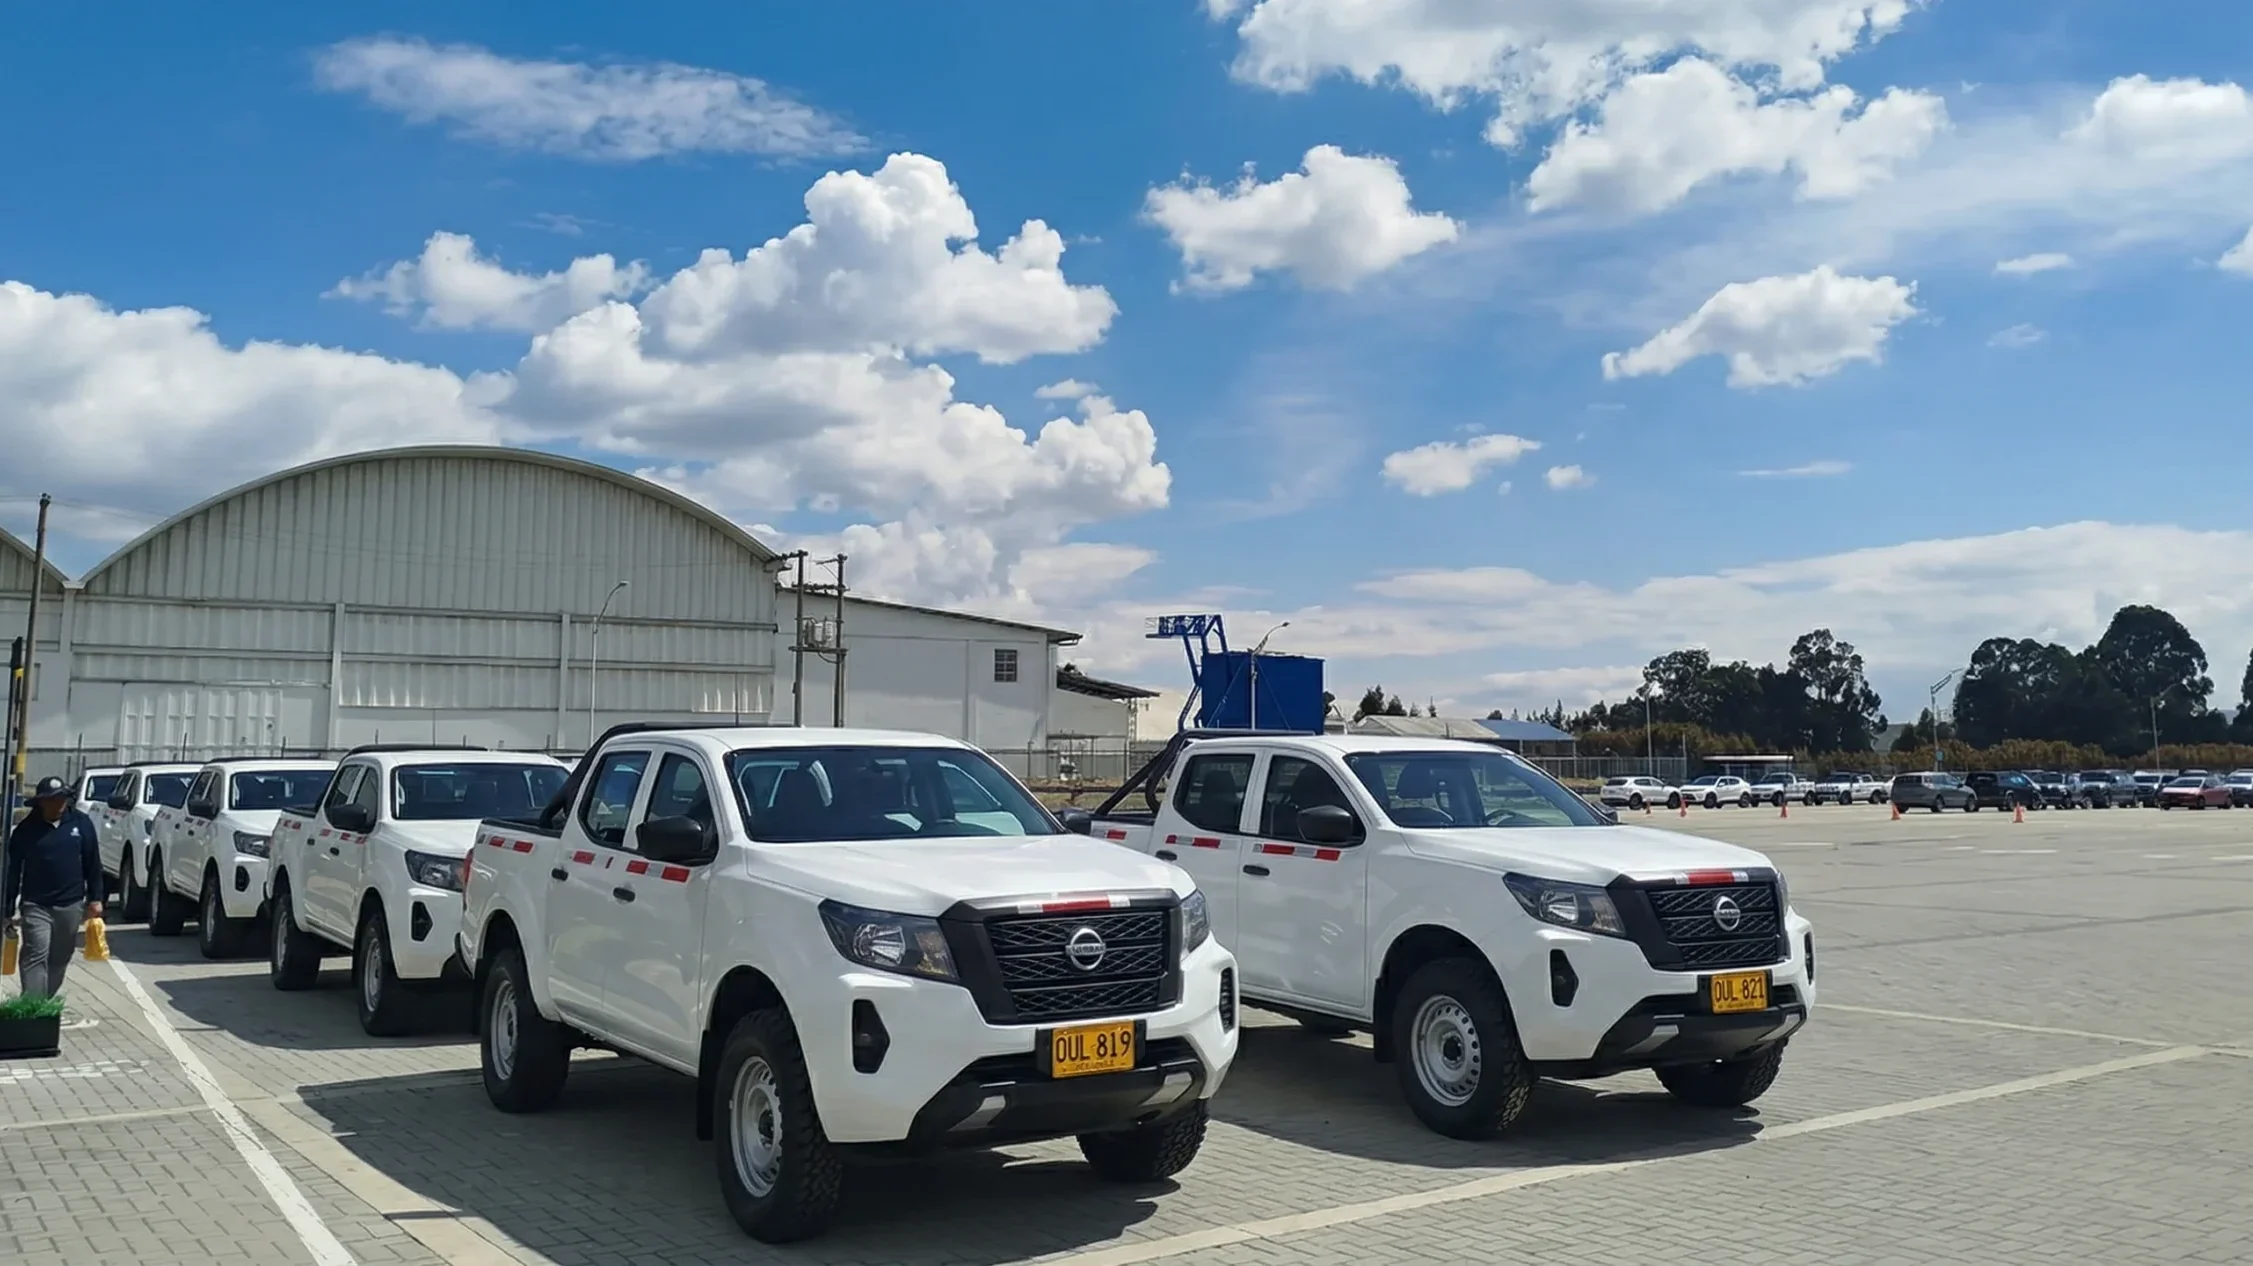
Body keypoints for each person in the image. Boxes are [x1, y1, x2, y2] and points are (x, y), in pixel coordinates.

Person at [3, 776, 104, 999]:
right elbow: (12, 871)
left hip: (71, 904)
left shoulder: (81, 823)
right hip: (35, 905)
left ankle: (45, 1001)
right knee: (35, 953)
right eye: (51, 800)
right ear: (40, 802)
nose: (57, 804)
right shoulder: (26, 830)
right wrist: (7, 910)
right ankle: (34, 1005)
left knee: (60, 956)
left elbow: (93, 862)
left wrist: (96, 898)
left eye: (61, 799)